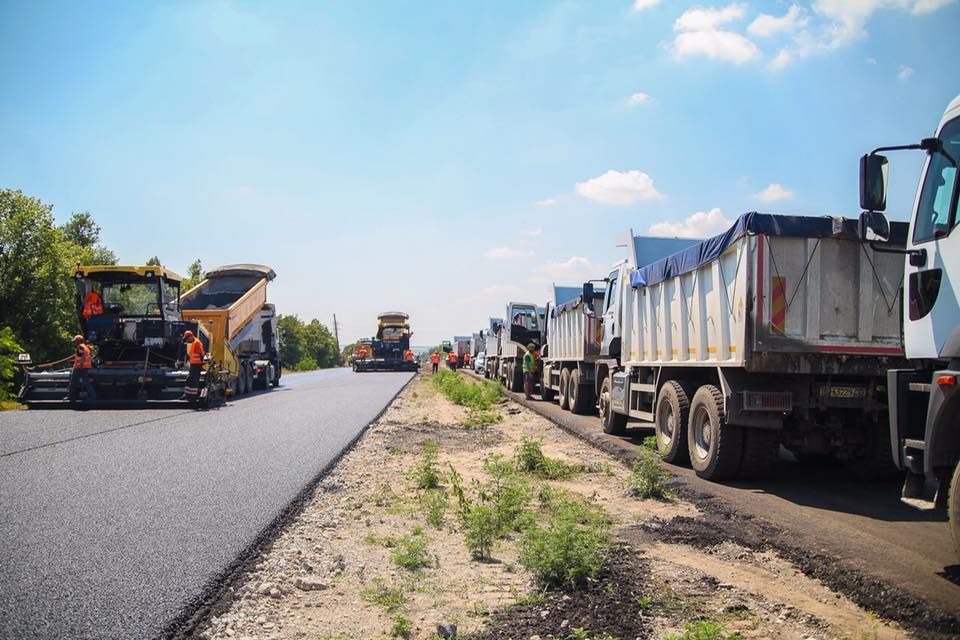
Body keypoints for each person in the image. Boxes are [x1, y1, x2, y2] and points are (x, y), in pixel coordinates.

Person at [67, 335, 96, 404]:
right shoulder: (85, 347)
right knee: (86, 383)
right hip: (84, 368)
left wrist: (80, 365)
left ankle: (71, 397)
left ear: (78, 341)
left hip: (79, 368)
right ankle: (93, 397)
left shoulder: (80, 347)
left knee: (73, 383)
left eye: (75, 341)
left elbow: (81, 357)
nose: (74, 343)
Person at [182, 330, 206, 401]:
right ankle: (188, 395)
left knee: (194, 380)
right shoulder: (193, 342)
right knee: (190, 379)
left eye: (187, 338)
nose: (187, 340)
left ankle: (192, 396)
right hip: (194, 364)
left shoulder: (196, 343)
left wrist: (201, 362)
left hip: (197, 365)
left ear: (191, 336)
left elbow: (201, 354)